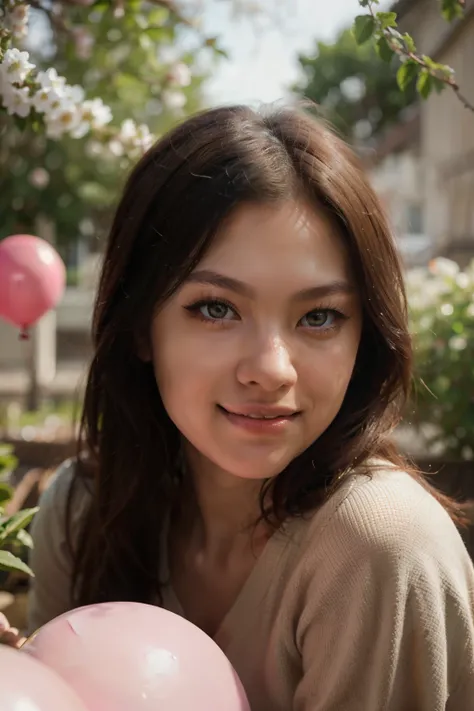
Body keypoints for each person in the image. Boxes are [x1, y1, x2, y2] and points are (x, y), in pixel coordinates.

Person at [2, 104, 474, 710]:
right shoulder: (82, 510)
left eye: (319, 316)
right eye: (217, 308)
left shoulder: (376, 546)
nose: (271, 369)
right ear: (141, 324)